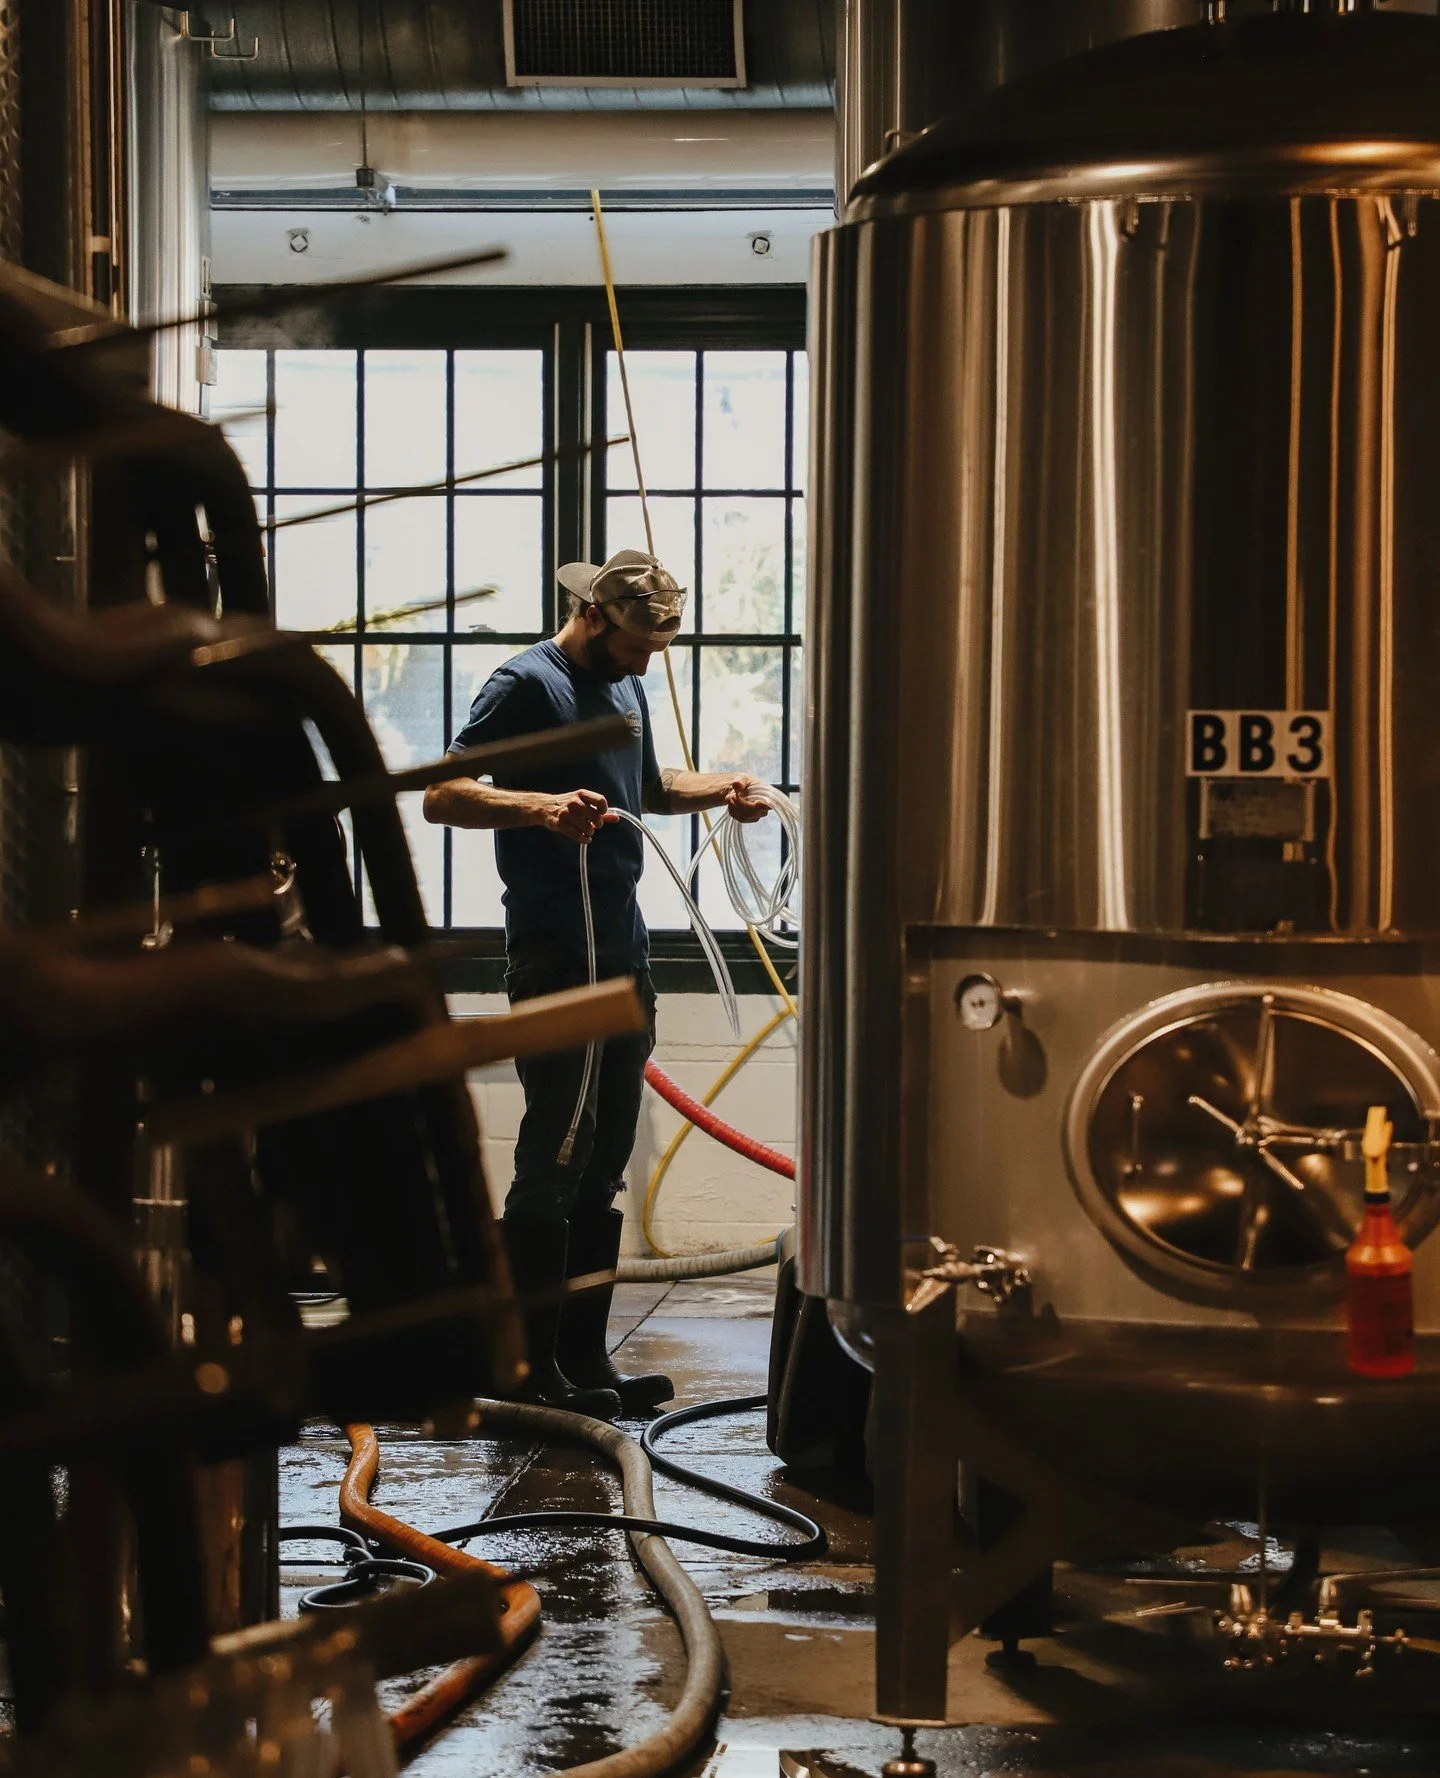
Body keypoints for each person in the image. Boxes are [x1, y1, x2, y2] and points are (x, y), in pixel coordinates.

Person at [423, 548, 769, 1417]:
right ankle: (528, 1369)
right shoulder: (525, 683)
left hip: (622, 946)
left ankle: (583, 1360)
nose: (650, 660)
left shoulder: (628, 687)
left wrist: (722, 789)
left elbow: (646, 789)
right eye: (639, 642)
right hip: (553, 949)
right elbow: (444, 793)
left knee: (605, 1156)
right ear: (594, 618)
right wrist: (536, 805)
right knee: (555, 1156)